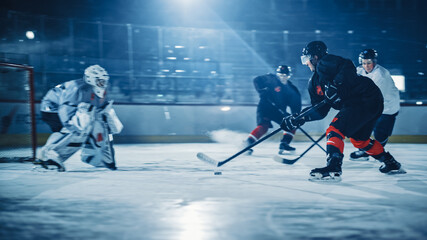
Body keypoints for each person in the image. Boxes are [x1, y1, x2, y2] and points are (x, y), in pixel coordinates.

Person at [280, 41, 405, 181]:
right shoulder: (314, 83)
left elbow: (347, 65)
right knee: (360, 141)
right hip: (370, 102)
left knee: (334, 130)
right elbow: (320, 110)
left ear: (315, 57)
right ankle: (391, 163)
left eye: (306, 59)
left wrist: (337, 85)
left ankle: (333, 168)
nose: (306, 63)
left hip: (363, 98)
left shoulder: (325, 62)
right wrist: (299, 118)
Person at [36, 65, 123, 172]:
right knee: (77, 128)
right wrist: (75, 130)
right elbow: (66, 112)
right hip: (51, 108)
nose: (104, 83)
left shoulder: (99, 90)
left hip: (62, 107)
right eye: (100, 80)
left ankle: (47, 154)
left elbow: (101, 113)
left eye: (105, 80)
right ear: (91, 79)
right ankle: (50, 155)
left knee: (83, 125)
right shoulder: (77, 89)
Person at [349, 49, 400, 161]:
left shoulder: (381, 75)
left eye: (369, 63)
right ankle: (365, 151)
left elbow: (374, 97)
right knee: (361, 128)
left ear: (374, 62)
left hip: (387, 107)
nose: (366, 66)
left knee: (380, 134)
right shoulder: (359, 71)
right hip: (371, 105)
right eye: (364, 63)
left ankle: (380, 154)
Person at [244, 65, 301, 155]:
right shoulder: (270, 79)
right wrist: (261, 90)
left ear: (289, 76)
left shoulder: (291, 89)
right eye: (281, 75)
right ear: (277, 74)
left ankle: (284, 143)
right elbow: (256, 80)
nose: (283, 77)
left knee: (291, 124)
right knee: (263, 127)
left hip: (278, 111)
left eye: (285, 75)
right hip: (265, 107)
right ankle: (248, 143)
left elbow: (296, 104)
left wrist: (296, 116)